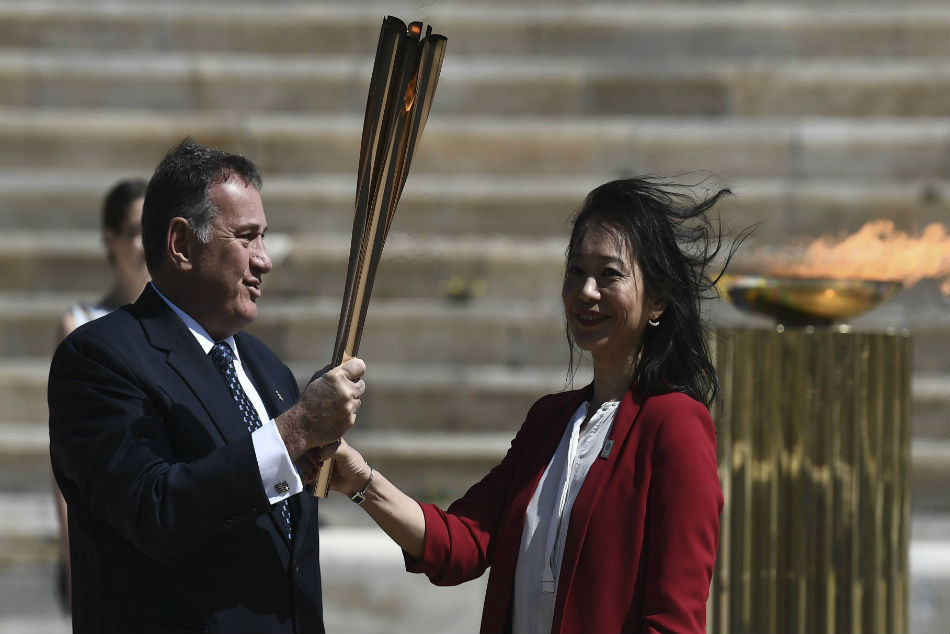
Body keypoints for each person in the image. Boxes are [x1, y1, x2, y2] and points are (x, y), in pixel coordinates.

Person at [327, 177, 737, 633]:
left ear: (657, 300)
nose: (586, 291)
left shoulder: (675, 423)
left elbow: (675, 620)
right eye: (576, 270)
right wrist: (360, 482)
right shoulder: (549, 420)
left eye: (610, 274)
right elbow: (464, 540)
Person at [48, 139, 365, 633]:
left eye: (264, 238)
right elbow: (156, 511)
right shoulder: (100, 358)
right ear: (181, 244)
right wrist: (298, 429)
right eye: (246, 237)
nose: (265, 260)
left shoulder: (267, 369)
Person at [52, 177, 150, 610]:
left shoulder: (186, 323)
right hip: (104, 531)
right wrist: (71, 550)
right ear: (111, 240)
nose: (146, 242)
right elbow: (66, 454)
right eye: (136, 230)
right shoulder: (79, 325)